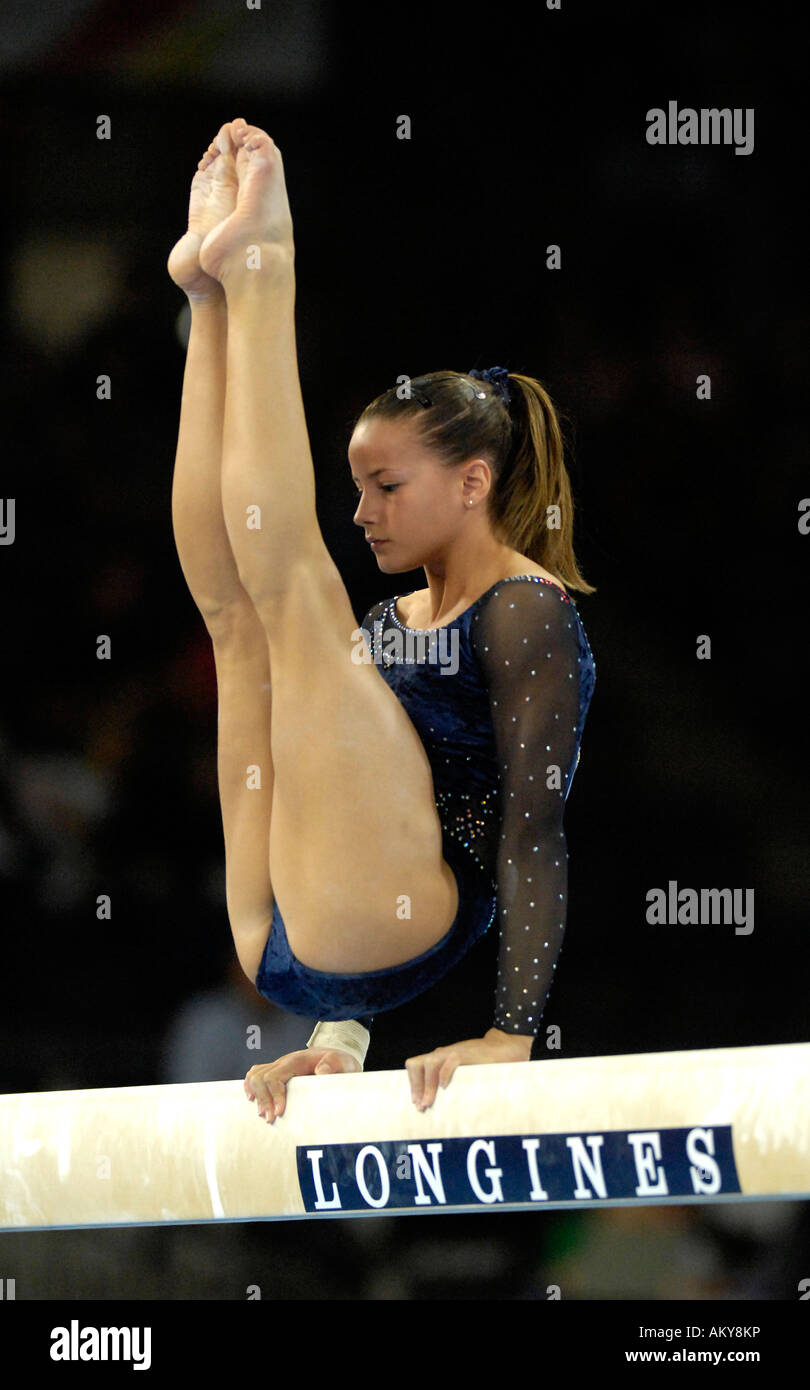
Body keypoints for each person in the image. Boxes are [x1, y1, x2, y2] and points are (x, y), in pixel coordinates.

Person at [167, 118, 596, 1126]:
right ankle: (212, 304)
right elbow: (349, 817)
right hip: (294, 947)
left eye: (386, 486)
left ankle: (262, 270)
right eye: (356, 486)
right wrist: (338, 1033)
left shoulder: (528, 615)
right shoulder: (395, 615)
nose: (362, 512)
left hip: (404, 926)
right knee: (238, 616)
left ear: (472, 482)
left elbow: (534, 832)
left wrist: (513, 1030)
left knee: (289, 597)